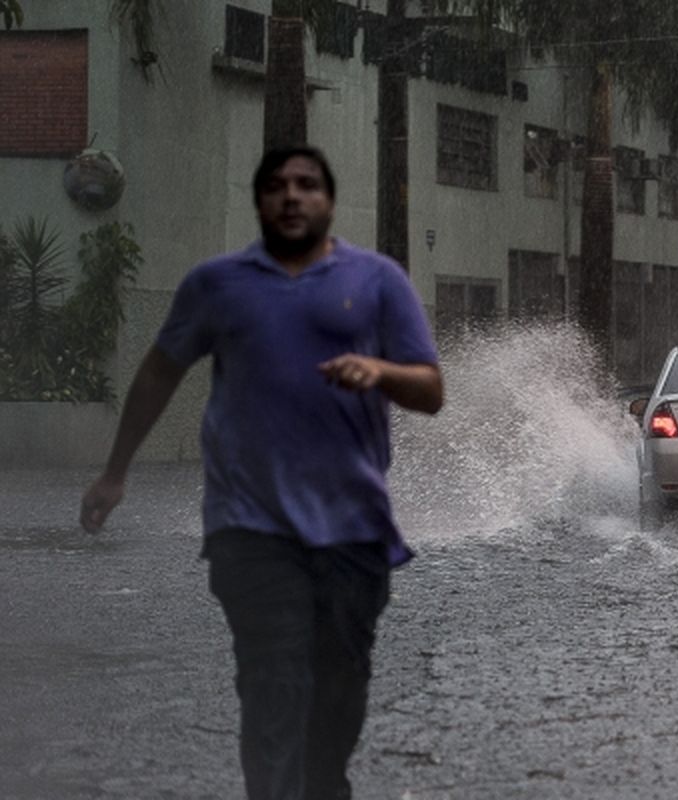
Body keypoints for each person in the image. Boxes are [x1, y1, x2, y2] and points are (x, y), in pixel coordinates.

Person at [78, 146, 444, 800]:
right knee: (274, 685)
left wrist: (379, 372)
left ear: (330, 201)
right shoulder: (216, 284)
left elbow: (430, 391)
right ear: (259, 202)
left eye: (307, 185)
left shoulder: (379, 279)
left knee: (339, 694)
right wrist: (116, 471)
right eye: (276, 186)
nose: (291, 196)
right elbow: (161, 370)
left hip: (353, 530)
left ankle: (325, 786)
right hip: (250, 528)